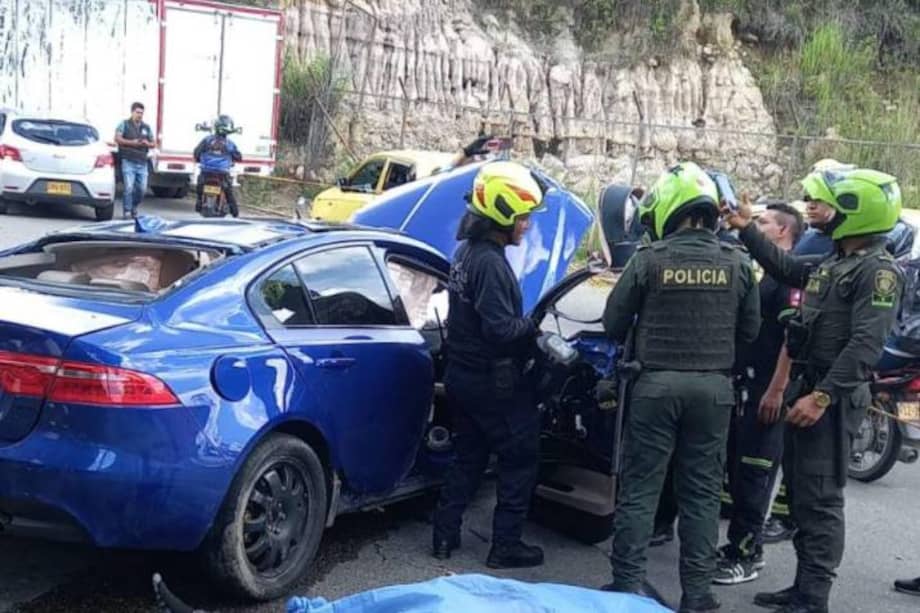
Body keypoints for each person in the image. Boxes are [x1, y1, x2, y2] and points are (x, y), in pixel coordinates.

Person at [722, 166, 904, 613]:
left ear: (856, 211)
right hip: (808, 386)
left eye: (823, 202)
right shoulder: (836, 261)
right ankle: (803, 587)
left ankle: (814, 596)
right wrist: (746, 229)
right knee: (802, 495)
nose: (812, 208)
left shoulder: (877, 273)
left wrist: (821, 397)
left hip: (831, 396)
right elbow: (784, 267)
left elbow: (864, 345)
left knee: (820, 499)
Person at [601, 162, 761, 613]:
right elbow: (749, 332)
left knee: (641, 489)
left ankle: (627, 585)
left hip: (655, 388)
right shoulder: (737, 262)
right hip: (714, 391)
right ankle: (697, 594)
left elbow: (613, 322)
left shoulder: (649, 259)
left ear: (668, 210)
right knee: (703, 494)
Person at [431, 161, 547, 569]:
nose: (527, 225)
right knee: (520, 456)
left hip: (461, 376)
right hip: (492, 381)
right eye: (524, 217)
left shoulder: (466, 253)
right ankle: (506, 546)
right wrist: (532, 326)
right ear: (502, 215)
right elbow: (500, 330)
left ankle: (444, 534)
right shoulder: (492, 264)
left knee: (469, 456)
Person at [715, 203, 804, 585]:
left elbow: (792, 339)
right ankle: (737, 544)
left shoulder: (790, 279)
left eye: (764, 222)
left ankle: (747, 555)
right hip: (750, 388)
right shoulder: (769, 273)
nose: (757, 225)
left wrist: (777, 390)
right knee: (738, 472)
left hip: (769, 393)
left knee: (755, 476)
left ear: (783, 231)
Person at [193, 115, 242, 218]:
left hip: (206, 171)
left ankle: (198, 203)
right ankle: (235, 213)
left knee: (199, 187)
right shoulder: (229, 144)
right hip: (222, 173)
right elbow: (238, 156)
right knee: (229, 192)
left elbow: (196, 152)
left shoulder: (207, 140)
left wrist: (199, 160)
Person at [114, 102, 155, 219]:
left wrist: (147, 143)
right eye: (137, 112)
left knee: (141, 189)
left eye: (141, 113)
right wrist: (132, 143)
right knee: (129, 187)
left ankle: (134, 206)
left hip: (142, 162)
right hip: (128, 160)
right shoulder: (124, 124)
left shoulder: (146, 127)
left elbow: (154, 143)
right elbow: (117, 138)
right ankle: (127, 211)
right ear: (132, 112)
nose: (139, 115)